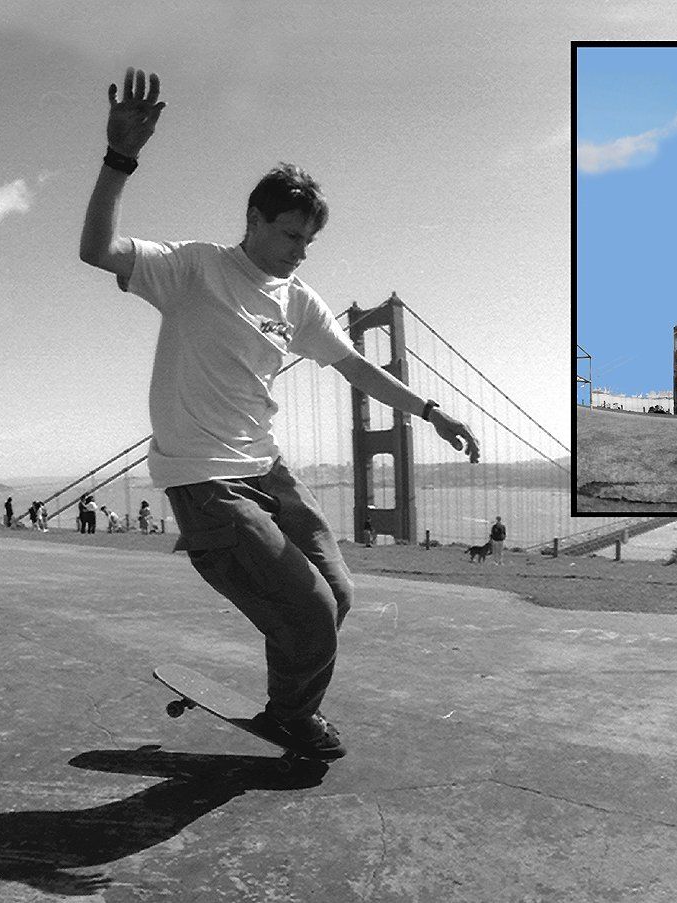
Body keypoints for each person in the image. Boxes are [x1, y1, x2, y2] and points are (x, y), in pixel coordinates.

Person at [79, 68, 481, 760]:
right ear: (254, 219)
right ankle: (292, 713)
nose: (299, 251)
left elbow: (355, 366)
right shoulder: (191, 267)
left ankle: (288, 703)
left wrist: (430, 410)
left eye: (308, 242)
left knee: (335, 596)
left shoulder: (296, 299)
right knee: (311, 614)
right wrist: (120, 158)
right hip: (204, 478)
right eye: (290, 235)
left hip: (268, 470)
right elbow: (96, 249)